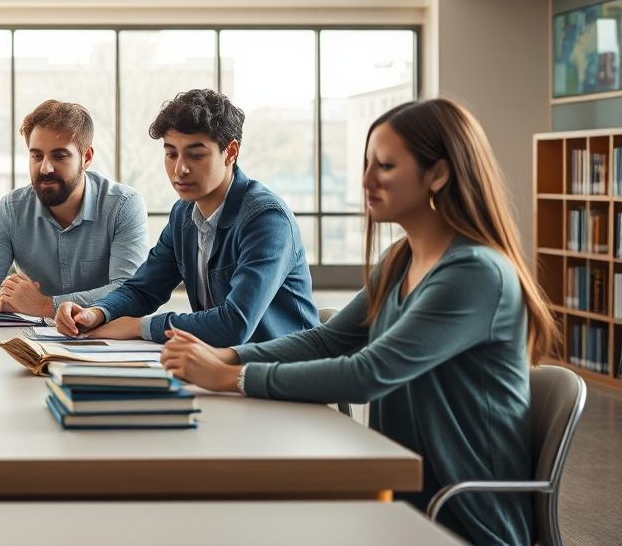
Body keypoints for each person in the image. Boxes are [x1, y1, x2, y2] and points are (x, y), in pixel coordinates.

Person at [160, 97, 555, 546]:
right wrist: (224, 354)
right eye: (366, 164)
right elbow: (328, 340)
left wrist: (234, 376)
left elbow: (369, 374)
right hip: (399, 498)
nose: (365, 180)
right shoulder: (401, 259)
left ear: (438, 174)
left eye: (384, 166)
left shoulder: (475, 273)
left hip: (459, 520)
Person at [56, 89, 317, 345]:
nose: (179, 169)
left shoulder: (266, 219)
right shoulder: (183, 214)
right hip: (221, 369)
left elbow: (235, 324)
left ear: (231, 152)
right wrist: (97, 312)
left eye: (195, 154)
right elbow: (144, 289)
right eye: (171, 154)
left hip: (286, 375)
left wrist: (139, 326)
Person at [0, 99, 147, 318]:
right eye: (36, 156)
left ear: (86, 157)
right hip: (31, 341)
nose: (45, 168)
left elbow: (129, 290)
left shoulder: (123, 206)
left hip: (104, 338)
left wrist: (46, 306)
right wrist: (5, 299)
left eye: (59, 156)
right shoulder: (11, 209)